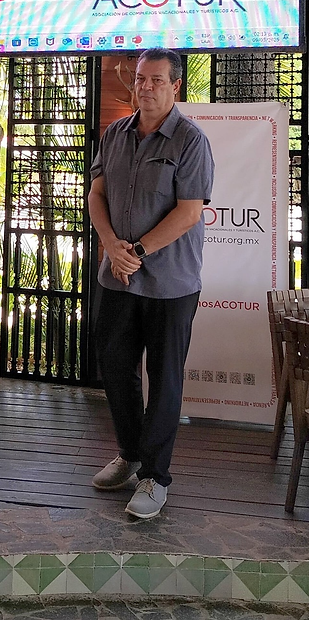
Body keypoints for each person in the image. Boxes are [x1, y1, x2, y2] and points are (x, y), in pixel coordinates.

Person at [88, 48, 214, 519]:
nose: (146, 87)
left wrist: (137, 252)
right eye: (141, 78)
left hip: (171, 283)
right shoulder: (116, 134)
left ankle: (155, 477)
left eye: (157, 79)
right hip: (117, 278)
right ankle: (130, 454)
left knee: (164, 379)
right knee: (116, 369)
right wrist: (110, 245)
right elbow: (96, 193)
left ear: (174, 85)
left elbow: (189, 211)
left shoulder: (189, 140)